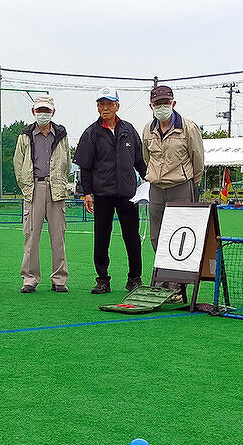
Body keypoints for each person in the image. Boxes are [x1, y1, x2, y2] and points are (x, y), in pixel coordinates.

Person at [74, 87, 147, 294]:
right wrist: (87, 193)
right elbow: (85, 166)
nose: (104, 107)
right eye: (101, 104)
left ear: (117, 106)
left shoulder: (129, 130)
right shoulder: (91, 133)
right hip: (103, 194)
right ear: (97, 106)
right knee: (101, 238)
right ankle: (102, 279)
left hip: (128, 194)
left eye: (109, 103)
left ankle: (134, 278)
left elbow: (140, 161)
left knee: (132, 237)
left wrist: (149, 181)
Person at [13, 94, 70, 293]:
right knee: (31, 237)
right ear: (33, 112)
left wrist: (60, 183)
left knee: (58, 237)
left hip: (56, 189)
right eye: (40, 110)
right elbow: (18, 165)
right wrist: (26, 186)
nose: (43, 114)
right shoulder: (24, 135)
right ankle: (29, 278)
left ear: (53, 112)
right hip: (34, 188)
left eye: (46, 110)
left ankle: (59, 279)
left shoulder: (61, 135)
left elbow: (67, 163)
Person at [142, 85, 204, 250]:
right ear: (151, 106)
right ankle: (162, 273)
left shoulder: (188, 127)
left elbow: (197, 158)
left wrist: (193, 183)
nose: (162, 107)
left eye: (165, 102)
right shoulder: (147, 130)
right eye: (157, 103)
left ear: (173, 103)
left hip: (180, 187)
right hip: (156, 188)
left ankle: (180, 275)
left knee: (181, 233)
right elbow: (146, 158)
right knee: (156, 236)